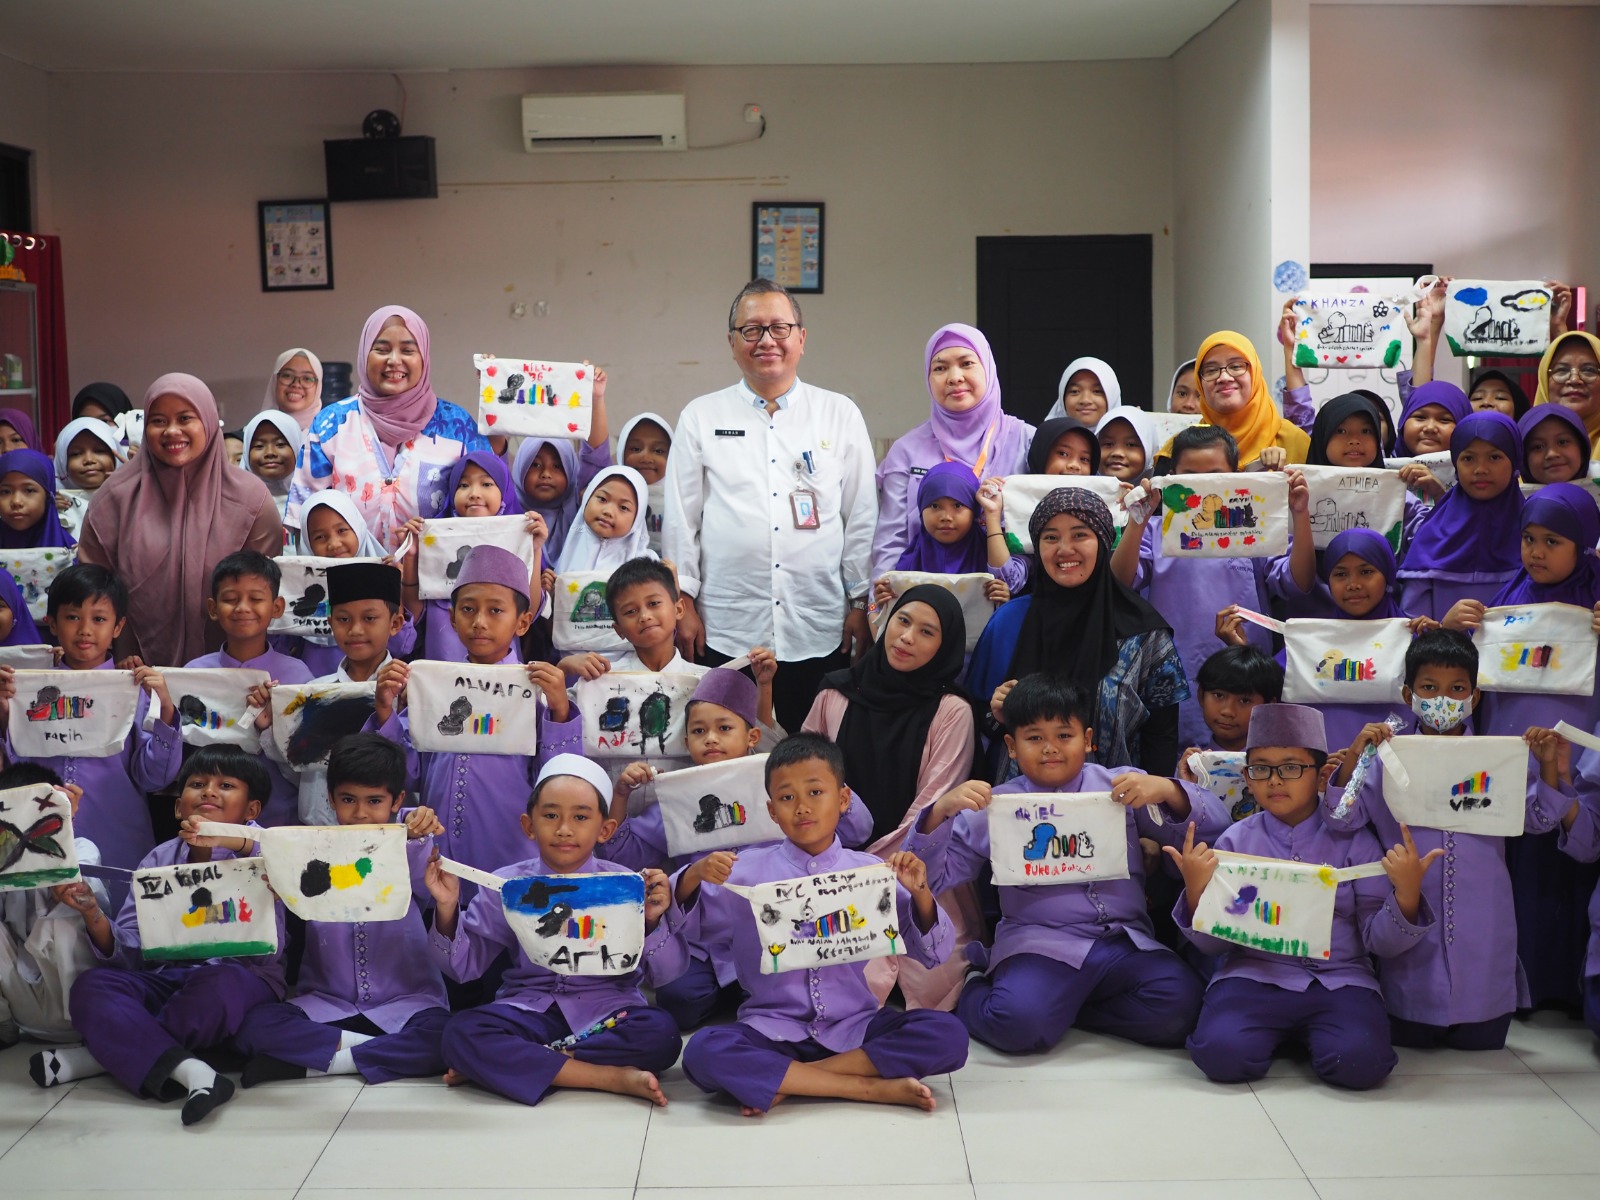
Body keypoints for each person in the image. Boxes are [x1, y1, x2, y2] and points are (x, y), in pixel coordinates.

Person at [909, 675, 1225, 1053]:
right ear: (1011, 746)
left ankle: (1067, 1010)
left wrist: (1169, 789)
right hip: (1040, 944)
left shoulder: (1120, 787)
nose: (1050, 749)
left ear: (1088, 740)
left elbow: (1215, 827)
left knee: (1183, 1008)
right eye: (1034, 738)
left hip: (1123, 941)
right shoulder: (997, 807)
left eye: (1064, 735)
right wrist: (940, 812)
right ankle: (979, 984)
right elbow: (935, 875)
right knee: (1016, 1025)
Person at [674, 734, 968, 1114]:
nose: (801, 808)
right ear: (771, 810)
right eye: (786, 797)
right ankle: (866, 1089)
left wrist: (923, 893)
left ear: (843, 800)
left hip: (855, 1025)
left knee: (947, 1034)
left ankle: (792, 1080)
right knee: (702, 1052)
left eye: (815, 792)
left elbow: (935, 953)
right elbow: (684, 923)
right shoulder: (742, 873)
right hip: (771, 1028)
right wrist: (693, 875)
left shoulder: (870, 873)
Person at [1170, 703, 1438, 1089]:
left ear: (1319, 775)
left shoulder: (1355, 842)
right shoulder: (1235, 840)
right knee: (1221, 1054)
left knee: (1359, 1063)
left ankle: (1310, 1034)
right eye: (1261, 768)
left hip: (1340, 980)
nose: (1275, 781)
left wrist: (1407, 894)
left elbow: (1379, 943)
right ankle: (1280, 1033)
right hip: (1253, 976)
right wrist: (1196, 891)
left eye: (1291, 767)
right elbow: (1213, 947)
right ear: (1247, 776)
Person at [1331, 632, 1576, 1050]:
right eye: (1429, 688)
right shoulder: (1388, 756)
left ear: (1475, 697)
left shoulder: (1497, 756)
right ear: (1408, 694)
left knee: (1482, 1032)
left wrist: (1549, 768)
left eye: (1456, 689)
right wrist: (1357, 758)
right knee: (1410, 1023)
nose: (1442, 699)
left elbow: (1538, 820)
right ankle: (1416, 1010)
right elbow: (1342, 816)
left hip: (1484, 913)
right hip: (1412, 910)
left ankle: (1481, 1014)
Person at [664, 279, 878, 734]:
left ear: (801, 337)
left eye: (779, 328)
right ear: (731, 343)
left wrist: (861, 600)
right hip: (726, 625)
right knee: (727, 751)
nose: (766, 341)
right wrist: (683, 601)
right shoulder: (701, 417)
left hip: (819, 623)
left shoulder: (838, 413)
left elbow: (861, 514)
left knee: (815, 751)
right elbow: (682, 518)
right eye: (752, 330)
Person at [425, 754, 683, 1107]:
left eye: (580, 817)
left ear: (605, 829)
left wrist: (652, 919)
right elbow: (462, 967)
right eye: (550, 816)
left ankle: (524, 1062)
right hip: (529, 1011)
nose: (564, 829)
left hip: (608, 1015)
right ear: (528, 825)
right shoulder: (507, 884)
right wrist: (445, 906)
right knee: (459, 1033)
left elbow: (669, 976)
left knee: (662, 1033)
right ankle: (607, 1077)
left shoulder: (626, 885)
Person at [46, 747, 285, 1125]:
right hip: (166, 977)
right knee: (92, 986)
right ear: (178, 808)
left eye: (225, 785)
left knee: (218, 987)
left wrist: (222, 839)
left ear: (251, 810)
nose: (208, 792)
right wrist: (93, 913)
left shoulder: (267, 849)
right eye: (196, 784)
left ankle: (105, 1054)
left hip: (241, 977)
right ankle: (195, 1072)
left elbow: (283, 853)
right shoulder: (158, 859)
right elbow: (133, 948)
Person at [604, 668, 824, 1029]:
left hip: (775, 927)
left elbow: (855, 825)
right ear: (686, 741)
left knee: (792, 992)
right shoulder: (678, 797)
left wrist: (815, 777)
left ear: (752, 735)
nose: (711, 739)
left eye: (724, 728)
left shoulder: (779, 785)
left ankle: (749, 994)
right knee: (679, 1001)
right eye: (699, 731)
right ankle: (737, 993)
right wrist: (622, 794)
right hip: (704, 937)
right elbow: (623, 857)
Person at [236, 734, 452, 1087]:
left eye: (375, 800)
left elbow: (419, 848)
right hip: (326, 1005)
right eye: (348, 799)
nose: (361, 813)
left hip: (409, 1004)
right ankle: (372, 1054)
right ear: (330, 797)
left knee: (445, 1036)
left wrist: (416, 827)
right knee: (253, 1026)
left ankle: (318, 1062)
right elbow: (268, 844)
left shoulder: (410, 844)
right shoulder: (310, 852)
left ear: (396, 800)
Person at [803, 586, 976, 1009]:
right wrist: (840, 864)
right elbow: (802, 775)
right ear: (885, 621)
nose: (907, 637)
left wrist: (873, 870)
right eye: (902, 620)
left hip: (914, 865)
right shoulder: (835, 693)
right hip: (828, 861)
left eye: (927, 632)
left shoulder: (952, 711)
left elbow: (932, 807)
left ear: (945, 645)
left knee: (937, 977)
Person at [372, 546, 582, 875]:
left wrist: (558, 709)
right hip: (436, 848)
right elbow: (408, 772)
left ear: (523, 622)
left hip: (508, 848)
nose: (480, 622)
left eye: (496, 610)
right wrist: (385, 709)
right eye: (468, 609)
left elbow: (558, 778)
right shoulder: (433, 687)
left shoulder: (537, 692)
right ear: (453, 618)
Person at [0, 565, 182, 911]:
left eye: (99, 619)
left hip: (117, 833)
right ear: (52, 623)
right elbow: (13, 772)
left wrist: (166, 712)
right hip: (37, 834)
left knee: (117, 930)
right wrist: (6, 715)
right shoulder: (25, 689)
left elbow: (155, 776)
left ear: (118, 627)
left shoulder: (132, 689)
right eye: (72, 617)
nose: (85, 630)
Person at [971, 487, 1186, 777]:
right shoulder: (1009, 621)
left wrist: (1152, 810)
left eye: (1080, 534)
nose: (1064, 549)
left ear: (1102, 541)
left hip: (1119, 807)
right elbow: (984, 724)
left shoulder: (1144, 634)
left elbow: (1161, 738)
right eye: (1050, 537)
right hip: (1024, 810)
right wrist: (997, 712)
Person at [78, 373, 283, 667]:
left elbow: (266, 588)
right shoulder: (114, 499)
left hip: (234, 675)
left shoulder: (251, 500)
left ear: (209, 422)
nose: (172, 431)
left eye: (185, 418)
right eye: (158, 421)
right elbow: (91, 591)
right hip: (133, 671)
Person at [1111, 425, 1276, 749]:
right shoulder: (1155, 530)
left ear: (1236, 475)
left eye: (1214, 475)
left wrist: (1295, 511)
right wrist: (1138, 521)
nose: (1202, 487)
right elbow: (1120, 583)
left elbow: (1296, 583)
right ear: (1172, 476)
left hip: (1246, 678)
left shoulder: (1252, 525)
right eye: (1190, 476)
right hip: (1172, 676)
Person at [287, 305, 487, 552]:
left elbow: (492, 501)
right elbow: (303, 517)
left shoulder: (457, 425)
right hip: (351, 584)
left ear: (423, 357)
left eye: (407, 350)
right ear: (364, 354)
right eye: (381, 350)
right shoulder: (332, 424)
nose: (394, 360)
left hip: (440, 581)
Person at [873, 323, 1031, 582]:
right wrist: (879, 607)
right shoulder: (906, 450)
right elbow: (891, 542)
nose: (954, 377)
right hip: (921, 604)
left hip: (1008, 601)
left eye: (967, 363)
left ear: (988, 368)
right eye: (940, 368)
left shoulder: (1025, 440)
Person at [255, 561, 407, 826]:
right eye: (343, 619)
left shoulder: (409, 690)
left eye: (369, 618)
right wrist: (270, 728)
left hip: (382, 834)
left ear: (395, 623)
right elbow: (299, 771)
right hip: (315, 830)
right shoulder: (315, 692)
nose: (356, 629)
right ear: (330, 623)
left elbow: (414, 770)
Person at [398, 449, 546, 663]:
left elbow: (529, 609)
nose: (474, 493)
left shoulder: (521, 536)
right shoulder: (434, 542)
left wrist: (535, 549)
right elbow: (415, 611)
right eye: (463, 485)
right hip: (443, 670)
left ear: (504, 492)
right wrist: (411, 556)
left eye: (486, 484)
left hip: (499, 675)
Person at [0, 765, 103, 1049]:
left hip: (78, 1001)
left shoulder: (83, 848)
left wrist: (64, 819)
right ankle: (2, 1025)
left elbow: (70, 896)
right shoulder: (4, 861)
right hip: (24, 1004)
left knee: (65, 912)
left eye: (36, 809)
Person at [1396, 410, 1524, 622]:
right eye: (1468, 458)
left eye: (1494, 457)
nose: (1480, 469)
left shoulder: (1534, 534)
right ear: (1455, 464)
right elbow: (1414, 625)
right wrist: (1443, 629)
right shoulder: (1431, 534)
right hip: (1442, 654)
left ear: (1515, 461)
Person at [1185, 332, 1309, 468]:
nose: (1224, 377)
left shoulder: (1294, 441)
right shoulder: (1182, 449)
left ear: (1255, 373)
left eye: (1236, 366)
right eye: (1211, 370)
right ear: (1200, 382)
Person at [512, 433, 613, 565]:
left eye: (557, 466)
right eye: (535, 464)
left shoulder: (583, 510)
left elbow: (596, 458)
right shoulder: (506, 510)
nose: (546, 474)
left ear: (570, 469)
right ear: (521, 467)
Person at [52, 416, 125, 540]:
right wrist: (46, 514)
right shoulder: (53, 503)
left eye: (99, 451)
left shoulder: (137, 497)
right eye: (76, 454)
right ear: (62, 462)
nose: (89, 460)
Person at [1532, 330, 1600, 454]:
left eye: (1589, 370)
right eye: (1562, 370)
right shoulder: (1521, 449)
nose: (1574, 380)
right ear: (1544, 381)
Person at [239, 411, 304, 536]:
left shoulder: (311, 497)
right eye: (259, 446)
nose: (270, 452)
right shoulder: (237, 503)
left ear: (296, 446)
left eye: (280, 444)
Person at [617, 412, 674, 555]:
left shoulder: (681, 499)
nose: (647, 458)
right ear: (621, 451)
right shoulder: (610, 494)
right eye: (636, 449)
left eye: (659, 451)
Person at [0, 449, 74, 549]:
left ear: (48, 496)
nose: (16, 501)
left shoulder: (71, 554)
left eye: (29, 490)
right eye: (5, 492)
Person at [1519, 404, 1592, 485]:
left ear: (1583, 451)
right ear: (1523, 459)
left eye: (1562, 442)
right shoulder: (1511, 497)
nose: (1552, 454)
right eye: (1538, 447)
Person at [1044, 356, 1122, 425]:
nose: (1085, 400)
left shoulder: (1131, 437)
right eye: (1075, 391)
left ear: (1112, 397)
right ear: (1062, 398)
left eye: (1097, 391)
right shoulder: (1046, 439)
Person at [263, 347, 323, 431]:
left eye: (307, 378)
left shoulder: (333, 435)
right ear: (274, 381)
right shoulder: (253, 434)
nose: (296, 384)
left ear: (318, 386)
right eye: (287, 375)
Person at [1095, 407, 1158, 484]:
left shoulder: (1162, 493)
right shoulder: (1081, 492)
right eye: (1108, 444)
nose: (1117, 453)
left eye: (1131, 444)